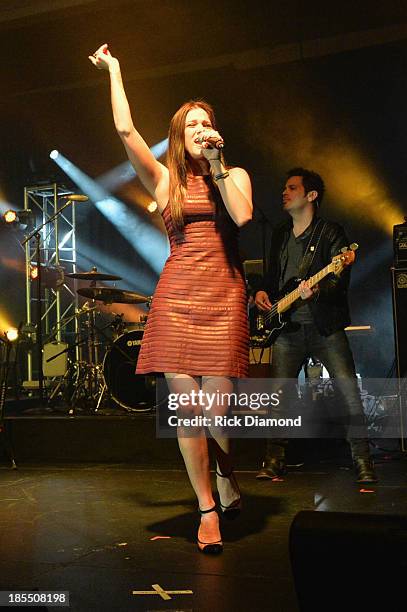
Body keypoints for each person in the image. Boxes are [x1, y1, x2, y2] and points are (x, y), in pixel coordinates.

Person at [89, 44, 253, 553]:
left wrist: (219, 162)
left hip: (224, 295)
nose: (201, 130)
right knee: (187, 410)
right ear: (180, 137)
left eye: (207, 123)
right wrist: (116, 69)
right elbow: (125, 131)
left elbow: (243, 217)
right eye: (192, 126)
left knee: (217, 412)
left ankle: (224, 475)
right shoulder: (163, 179)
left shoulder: (235, 174)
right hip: (178, 296)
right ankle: (207, 507)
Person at [255, 168, 377, 484]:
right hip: (288, 329)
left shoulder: (331, 233)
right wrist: (261, 292)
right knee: (278, 397)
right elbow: (272, 277)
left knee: (349, 393)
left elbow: (339, 279)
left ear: (311, 196)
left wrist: (319, 289)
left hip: (325, 328)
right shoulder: (280, 233)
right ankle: (273, 460)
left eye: (292, 188)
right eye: (284, 187)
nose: (284, 192)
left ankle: (363, 462)